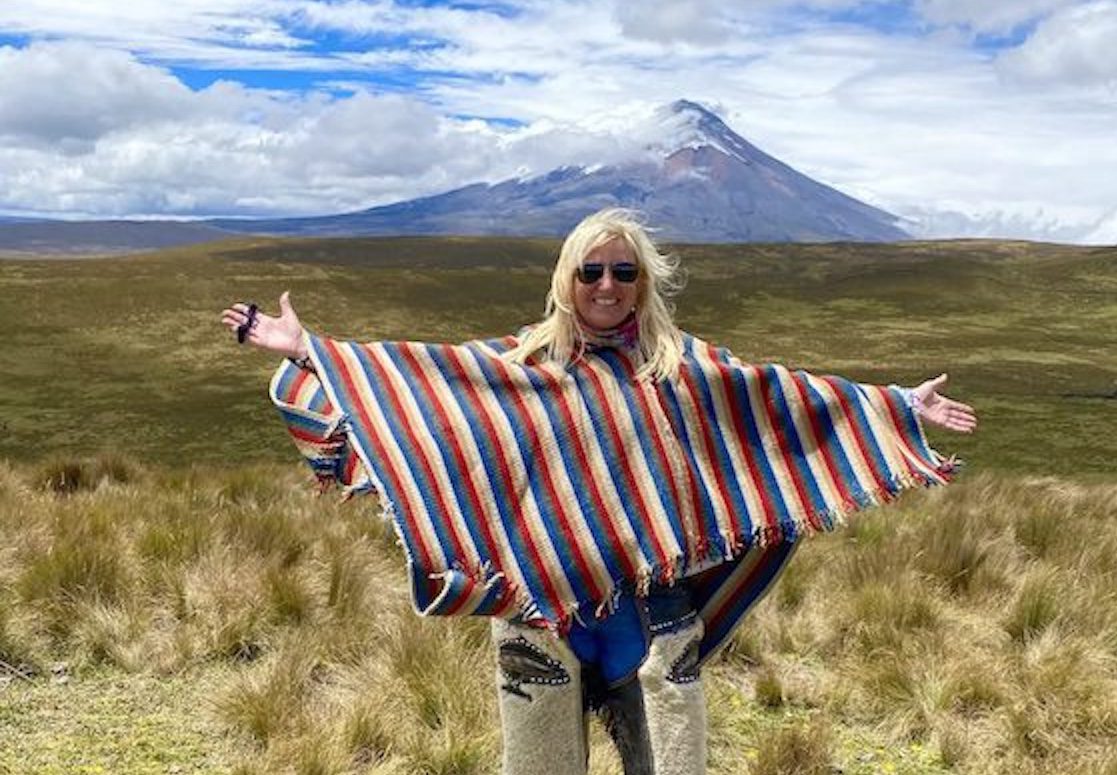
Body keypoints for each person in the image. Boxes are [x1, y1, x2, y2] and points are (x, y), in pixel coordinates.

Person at [221, 208, 975, 774]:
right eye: (591, 272)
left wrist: (895, 407)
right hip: (542, 621)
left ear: (644, 281)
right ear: (567, 279)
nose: (607, 286)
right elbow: (417, 392)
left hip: (652, 622)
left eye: (623, 271)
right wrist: (309, 351)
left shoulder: (684, 367)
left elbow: (779, 401)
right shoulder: (518, 363)